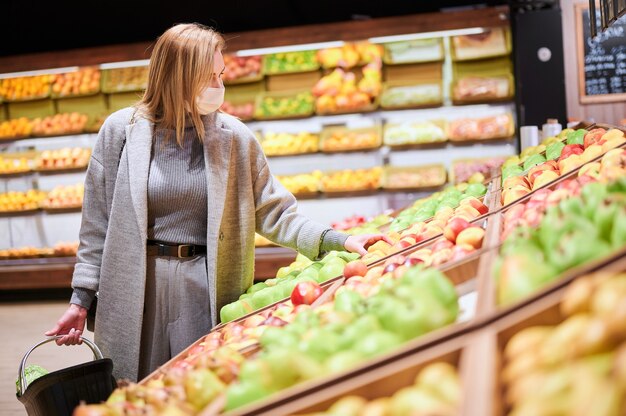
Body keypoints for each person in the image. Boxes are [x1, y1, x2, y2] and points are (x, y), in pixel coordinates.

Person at [45, 23, 391, 382]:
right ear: (177, 76)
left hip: (202, 286)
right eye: (208, 76)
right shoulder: (121, 131)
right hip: (135, 284)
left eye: (220, 74)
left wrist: (339, 239)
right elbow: (96, 224)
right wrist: (80, 298)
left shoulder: (235, 138)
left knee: (197, 384)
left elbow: (275, 213)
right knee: (133, 388)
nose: (218, 86)